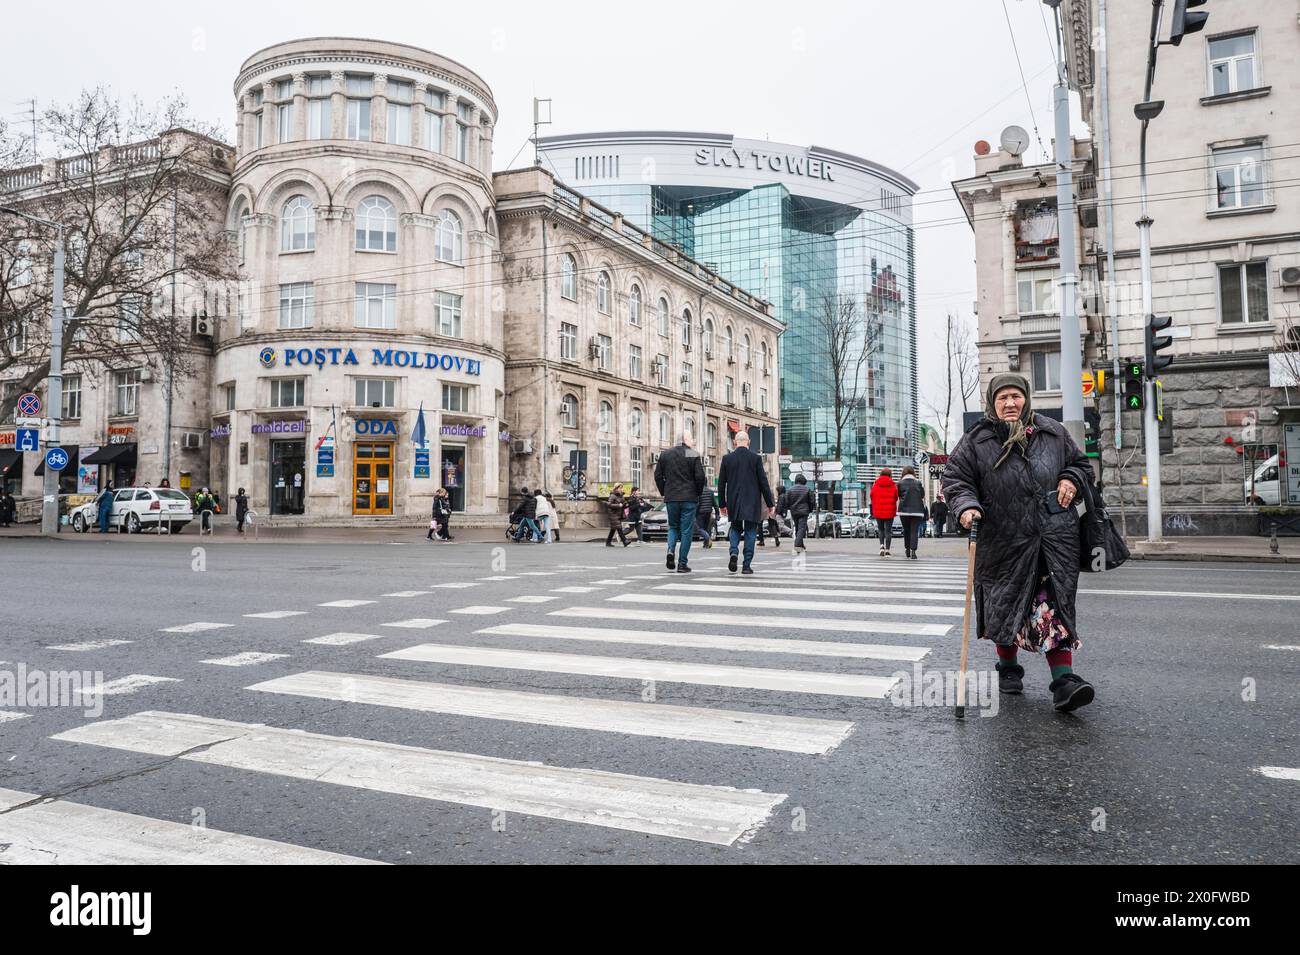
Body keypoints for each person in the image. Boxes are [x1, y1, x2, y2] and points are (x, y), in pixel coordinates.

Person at [942, 372, 1095, 713]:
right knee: (1004, 605)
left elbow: (1081, 465)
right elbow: (955, 478)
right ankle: (1008, 667)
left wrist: (1071, 478)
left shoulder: (1052, 432)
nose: (1010, 403)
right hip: (1002, 541)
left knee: (1052, 608)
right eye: (1002, 398)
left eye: (1016, 396)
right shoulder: (977, 440)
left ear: (1027, 398)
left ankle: (1064, 682)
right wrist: (967, 507)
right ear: (993, 403)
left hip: (1051, 540)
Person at [717, 431, 775, 575]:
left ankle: (734, 552)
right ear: (748, 442)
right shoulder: (755, 458)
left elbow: (721, 484)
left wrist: (722, 504)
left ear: (735, 442)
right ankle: (746, 565)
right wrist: (770, 503)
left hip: (734, 500)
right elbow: (763, 483)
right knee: (750, 532)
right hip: (752, 501)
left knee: (735, 528)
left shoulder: (727, 459)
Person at [653, 431, 706, 573]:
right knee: (686, 531)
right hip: (689, 498)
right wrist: (698, 492)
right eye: (691, 438)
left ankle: (670, 550)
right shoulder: (692, 453)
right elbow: (700, 476)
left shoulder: (665, 454)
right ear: (685, 440)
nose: (693, 441)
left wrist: (665, 491)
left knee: (673, 527)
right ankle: (682, 563)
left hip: (671, 498)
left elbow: (657, 476)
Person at [896, 465, 926, 560]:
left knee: (906, 530)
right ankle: (913, 551)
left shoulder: (900, 483)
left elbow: (899, 495)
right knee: (914, 531)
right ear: (913, 473)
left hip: (904, 510)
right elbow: (922, 495)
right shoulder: (918, 483)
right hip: (917, 510)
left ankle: (907, 549)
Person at [870, 468, 898, 557]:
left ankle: (881, 546)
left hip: (878, 510)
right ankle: (888, 550)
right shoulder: (893, 484)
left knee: (881, 529)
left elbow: (871, 495)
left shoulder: (876, 484)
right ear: (890, 475)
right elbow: (896, 496)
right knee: (888, 531)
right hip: (889, 511)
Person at [783, 474, 813, 550]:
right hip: (804, 511)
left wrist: (789, 508)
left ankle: (801, 544)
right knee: (802, 528)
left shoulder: (790, 490)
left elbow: (786, 501)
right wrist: (810, 509)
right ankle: (797, 544)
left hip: (794, 511)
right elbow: (811, 501)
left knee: (797, 527)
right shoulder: (807, 489)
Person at [696, 482, 718, 548]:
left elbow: (698, 504)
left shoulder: (699, 492)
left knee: (700, 528)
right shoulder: (710, 492)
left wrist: (695, 514)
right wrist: (717, 513)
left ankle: (707, 537)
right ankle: (706, 544)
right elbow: (715, 504)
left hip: (700, 513)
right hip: (708, 512)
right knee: (706, 528)